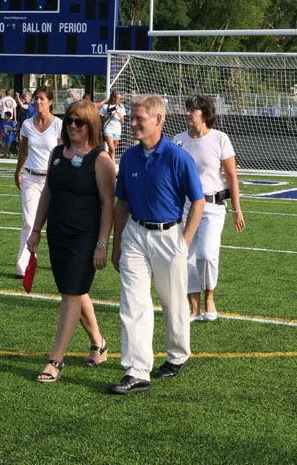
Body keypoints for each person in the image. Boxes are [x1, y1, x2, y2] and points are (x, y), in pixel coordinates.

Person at [108, 94, 205, 395]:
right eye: (132, 118)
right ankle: (137, 371)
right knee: (133, 302)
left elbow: (198, 201)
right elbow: (121, 202)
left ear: (158, 120)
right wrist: (116, 243)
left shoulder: (178, 157)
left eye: (139, 118)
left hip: (169, 236)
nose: (132, 123)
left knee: (173, 302)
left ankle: (177, 356)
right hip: (135, 235)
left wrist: (183, 241)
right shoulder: (129, 157)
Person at [26, 100, 117, 382]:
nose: (73, 126)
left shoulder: (101, 159)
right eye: (69, 121)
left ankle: (56, 360)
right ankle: (99, 343)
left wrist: (103, 244)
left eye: (80, 122)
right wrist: (36, 230)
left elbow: (108, 205)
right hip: (58, 234)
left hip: (85, 237)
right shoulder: (56, 153)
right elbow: (48, 194)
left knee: (70, 294)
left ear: (92, 125)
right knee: (74, 292)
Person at [173, 95, 245, 322]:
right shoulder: (178, 140)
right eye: (187, 110)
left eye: (192, 110)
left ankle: (209, 297)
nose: (187, 113)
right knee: (185, 256)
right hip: (185, 206)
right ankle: (193, 306)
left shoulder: (220, 138)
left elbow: (232, 177)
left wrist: (237, 209)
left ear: (204, 114)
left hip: (213, 206)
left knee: (206, 254)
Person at [14, 86, 62, 278]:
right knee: (29, 221)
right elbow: (24, 151)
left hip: (53, 180)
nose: (38, 102)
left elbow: (63, 152)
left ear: (50, 102)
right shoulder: (27, 124)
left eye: (42, 98)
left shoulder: (59, 124)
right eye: (36, 98)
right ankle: (23, 264)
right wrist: (17, 172)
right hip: (31, 177)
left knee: (57, 224)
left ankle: (61, 260)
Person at [99, 91, 126, 163]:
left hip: (117, 130)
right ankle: (112, 168)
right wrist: (109, 116)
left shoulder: (121, 107)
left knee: (113, 151)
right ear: (113, 98)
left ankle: (108, 163)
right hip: (108, 129)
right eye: (117, 98)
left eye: (120, 99)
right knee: (112, 150)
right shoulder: (105, 106)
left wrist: (120, 117)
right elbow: (101, 120)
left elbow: (122, 122)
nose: (119, 100)